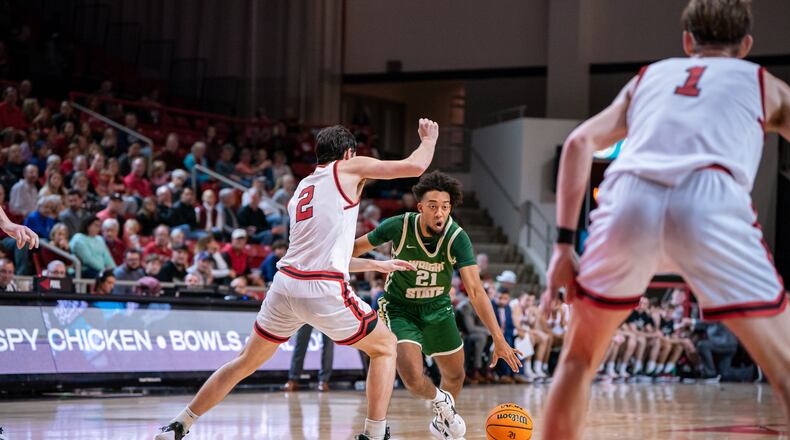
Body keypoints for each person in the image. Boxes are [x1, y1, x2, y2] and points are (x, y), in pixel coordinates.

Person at [541, 1, 790, 438]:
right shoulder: (761, 81)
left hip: (628, 197)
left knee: (579, 361)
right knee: (785, 366)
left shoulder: (650, 76)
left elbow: (579, 142)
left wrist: (564, 245)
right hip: (710, 198)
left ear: (687, 41)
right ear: (747, 45)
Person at [155, 119, 443, 440]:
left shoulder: (302, 189)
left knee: (244, 363)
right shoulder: (347, 168)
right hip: (321, 288)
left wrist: (380, 264)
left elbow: (329, 256)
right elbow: (415, 166)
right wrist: (428, 139)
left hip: (286, 285)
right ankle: (374, 434)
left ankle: (180, 424)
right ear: (348, 154)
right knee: (385, 347)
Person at [353, 171, 522, 440]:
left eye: (445, 207)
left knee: (456, 375)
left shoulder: (457, 238)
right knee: (412, 378)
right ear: (420, 207)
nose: (439, 213)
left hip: (438, 309)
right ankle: (439, 401)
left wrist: (498, 338)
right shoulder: (399, 226)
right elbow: (353, 249)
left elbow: (476, 291)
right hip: (400, 309)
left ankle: (442, 422)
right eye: (433, 206)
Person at [283, 325, 335, 392]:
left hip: (327, 315)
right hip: (307, 315)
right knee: (301, 342)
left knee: (328, 346)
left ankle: (324, 380)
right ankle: (293, 378)